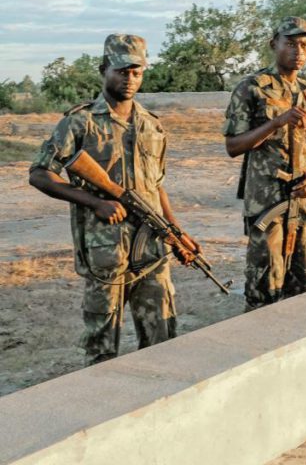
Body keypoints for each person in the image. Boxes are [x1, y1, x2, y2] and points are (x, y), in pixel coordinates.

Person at [29, 34, 196, 365]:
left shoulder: (152, 125)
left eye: (137, 72)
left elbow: (156, 186)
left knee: (162, 341)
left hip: (151, 251)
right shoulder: (80, 121)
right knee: (102, 348)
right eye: (122, 71)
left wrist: (176, 232)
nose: (130, 78)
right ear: (104, 69)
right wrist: (95, 202)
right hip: (106, 252)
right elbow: (39, 174)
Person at [223, 16, 306, 310]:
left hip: (303, 200)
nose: (299, 51)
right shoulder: (252, 88)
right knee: (265, 284)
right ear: (274, 44)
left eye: (305, 45)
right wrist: (276, 123)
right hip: (267, 201)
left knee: (304, 282)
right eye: (291, 43)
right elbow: (233, 146)